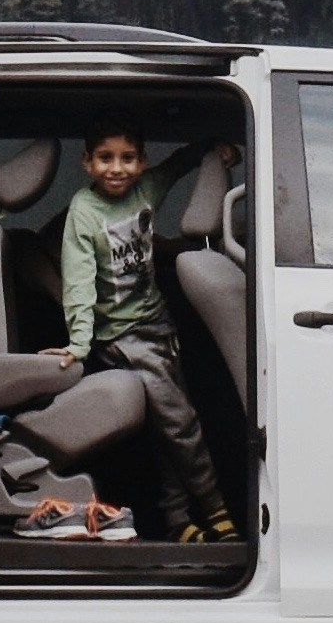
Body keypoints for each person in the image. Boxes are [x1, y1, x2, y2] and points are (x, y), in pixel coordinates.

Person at [57, 125, 233, 539]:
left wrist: (211, 146)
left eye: (128, 158)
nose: (117, 168)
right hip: (122, 337)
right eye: (105, 158)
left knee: (168, 425)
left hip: (158, 324)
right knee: (180, 423)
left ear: (142, 162)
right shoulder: (84, 211)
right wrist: (80, 342)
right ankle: (215, 506)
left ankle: (178, 520)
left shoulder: (147, 189)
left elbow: (178, 164)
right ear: (87, 162)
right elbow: (78, 281)